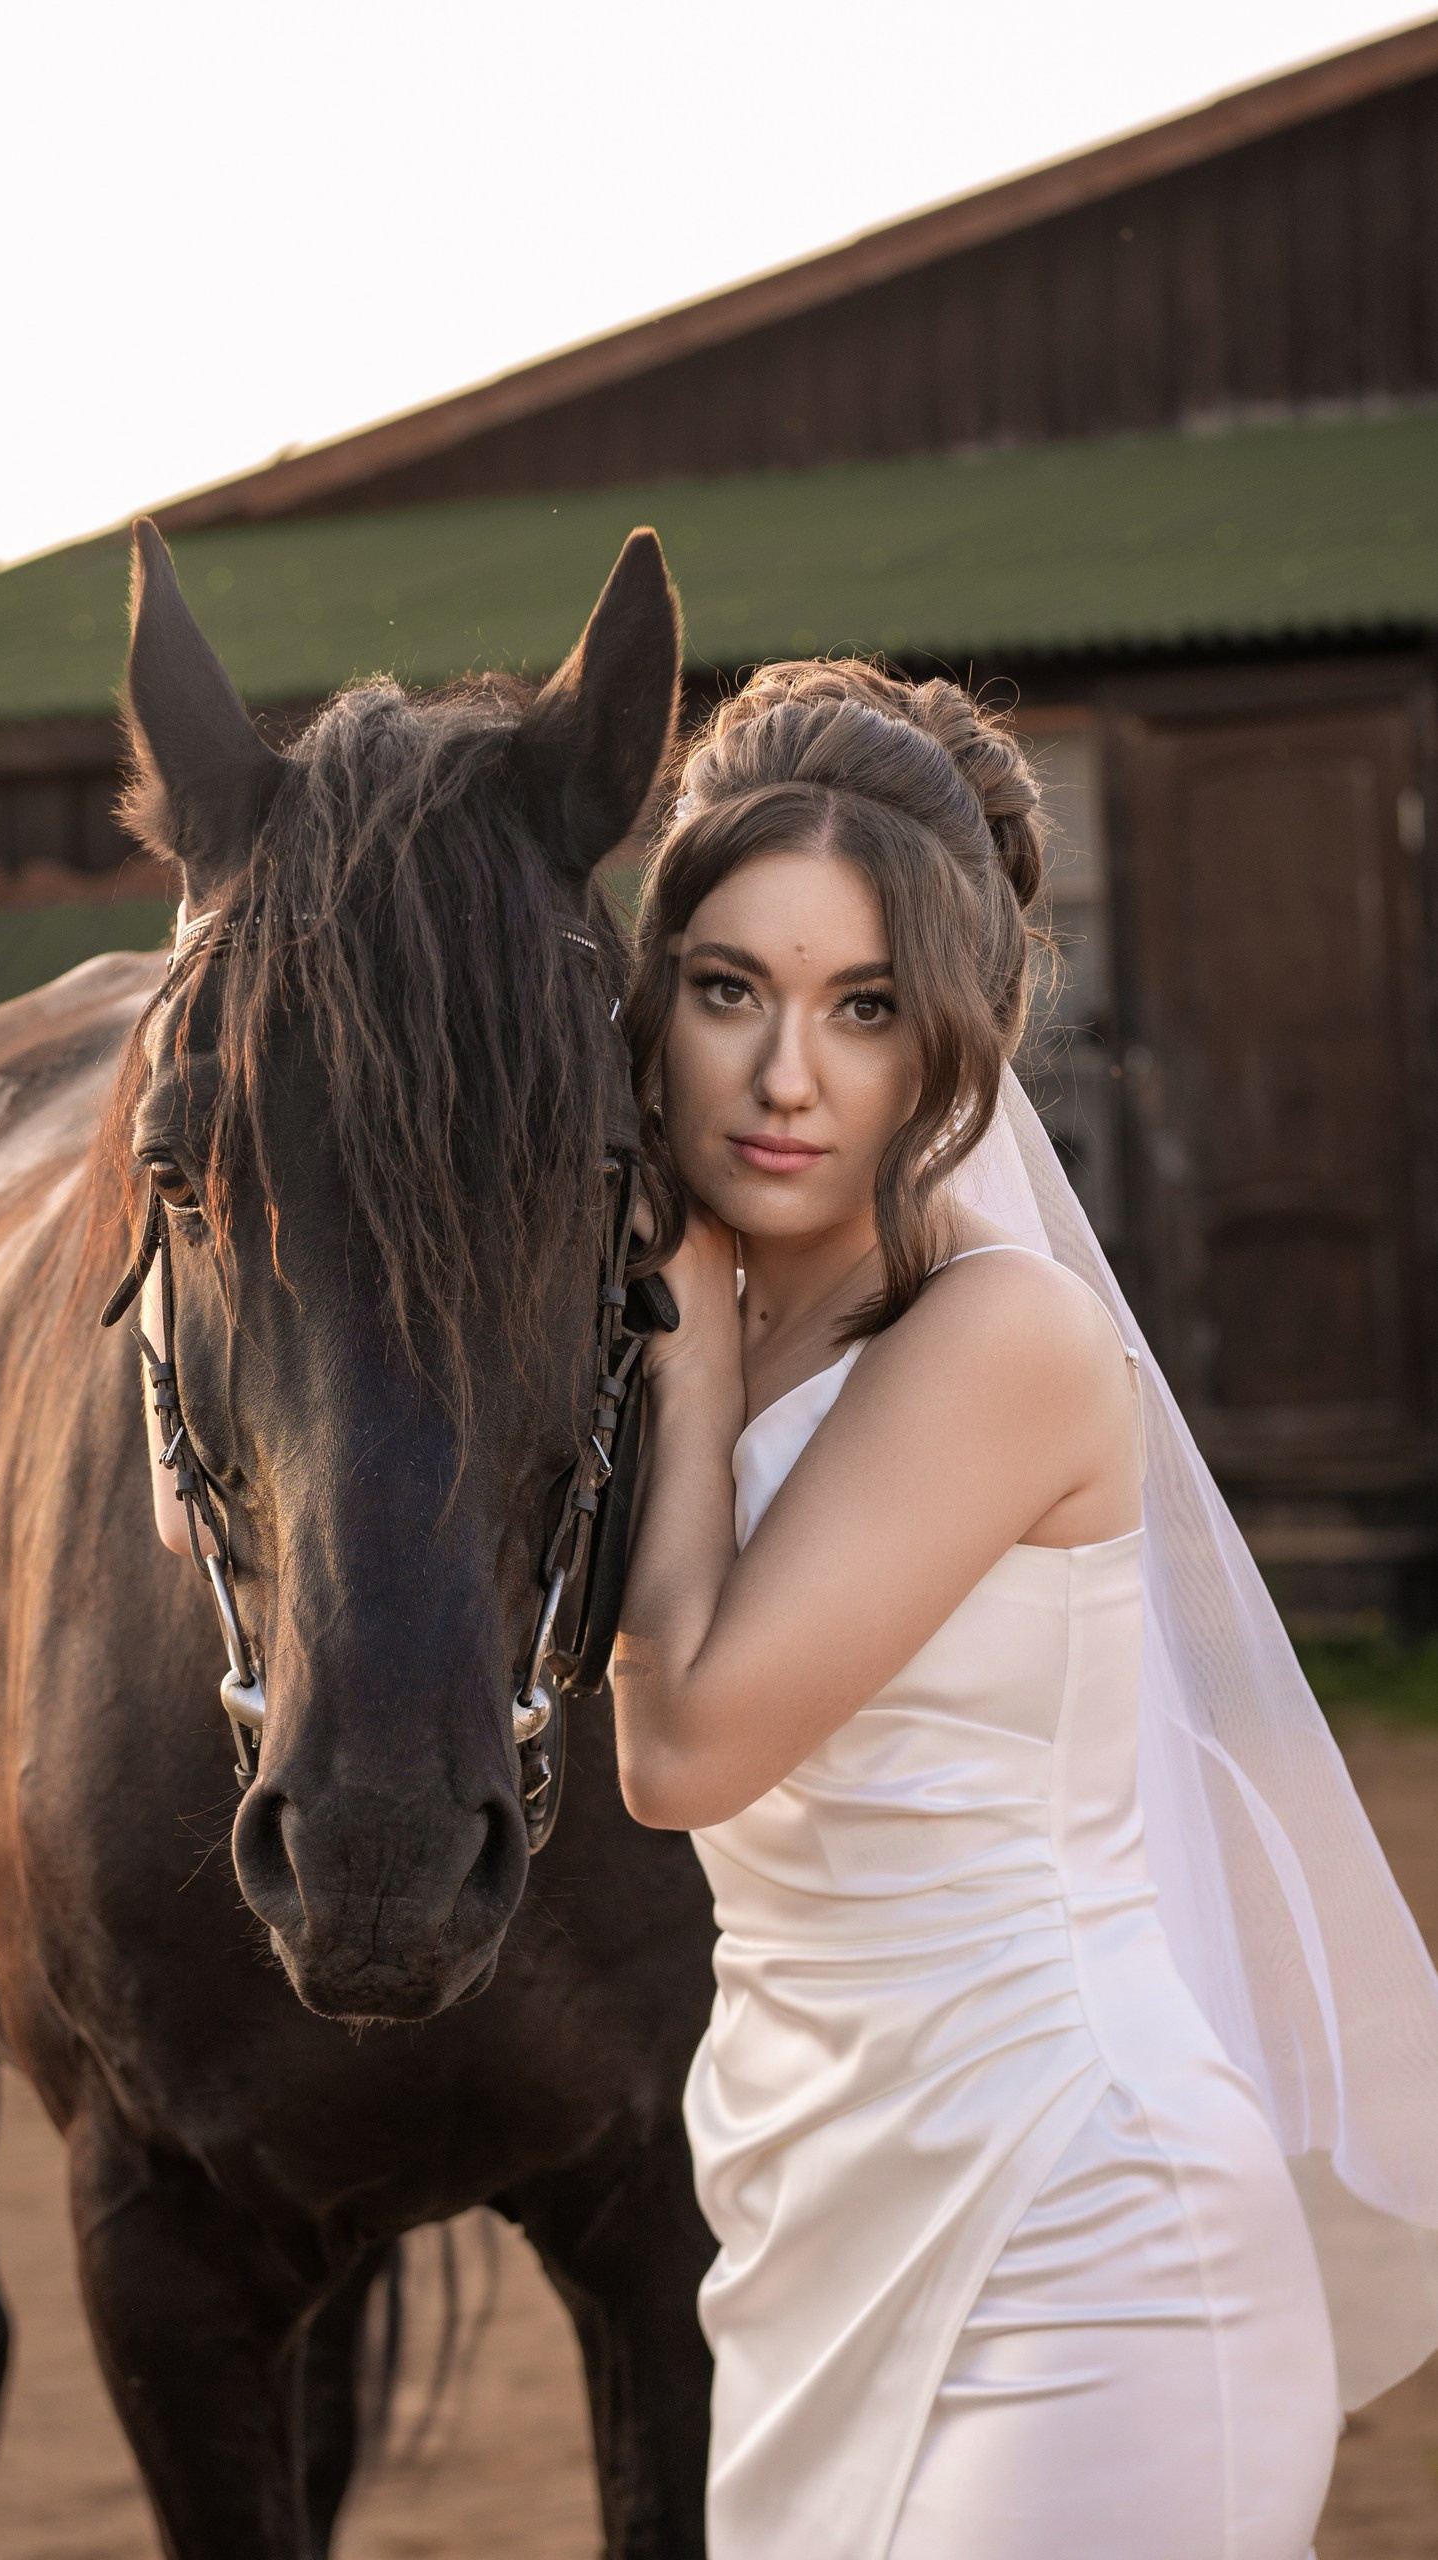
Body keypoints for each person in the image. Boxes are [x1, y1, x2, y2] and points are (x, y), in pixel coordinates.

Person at [610, 661, 1438, 2559]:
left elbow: (677, 1745)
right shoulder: (715, 1316)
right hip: (809, 2212)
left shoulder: (1004, 1338)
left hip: (1079, 2229)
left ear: (950, 1047)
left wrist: (671, 1370)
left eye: (863, 1008)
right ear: (653, 1004)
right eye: (729, 990)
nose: (784, 1074)